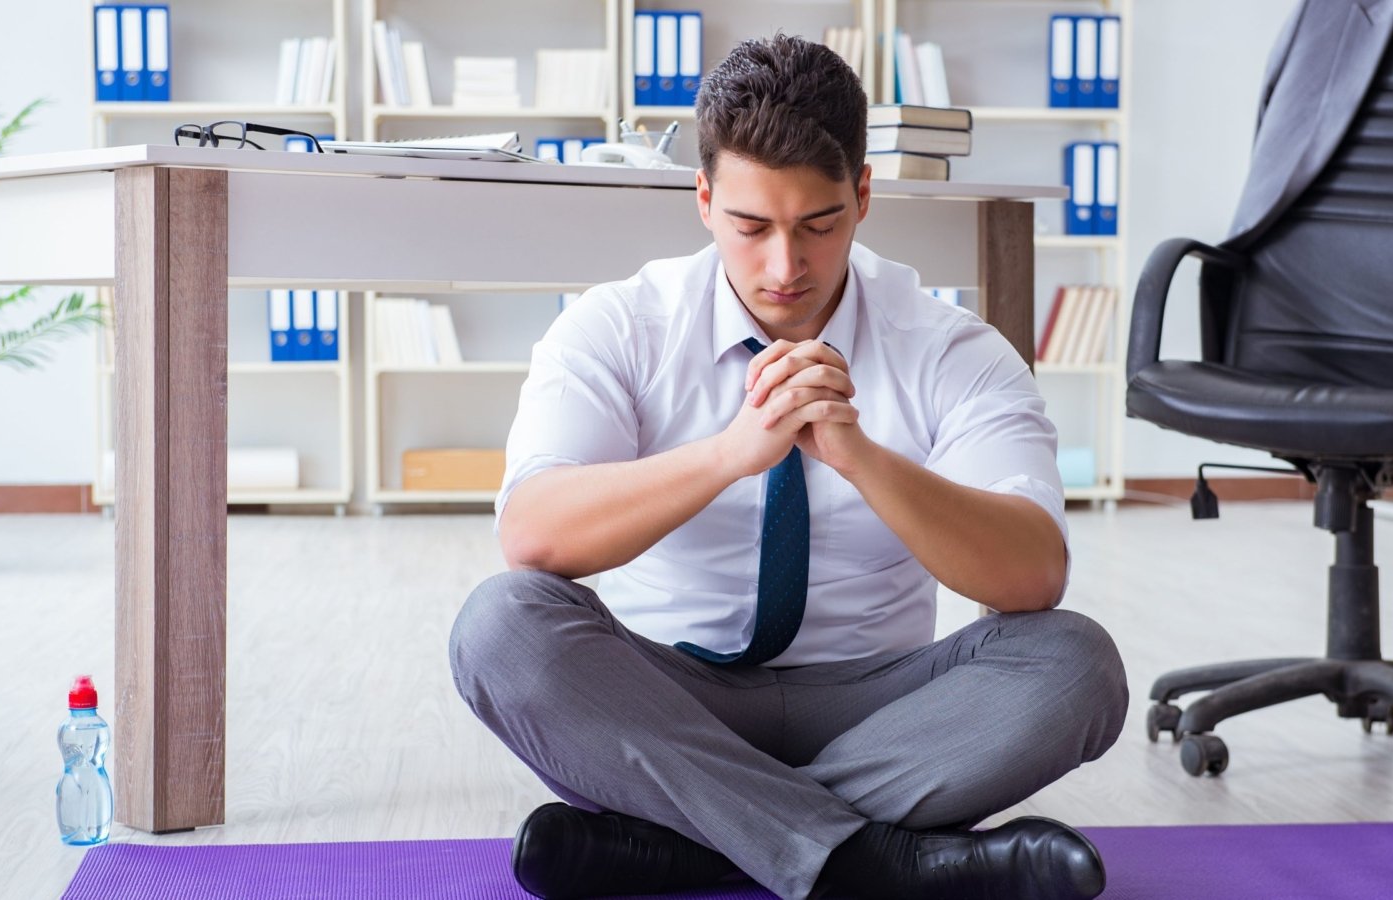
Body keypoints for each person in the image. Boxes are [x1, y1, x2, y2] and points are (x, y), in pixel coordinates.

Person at [448, 33, 1128, 900]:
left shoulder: (951, 348)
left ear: (865, 196)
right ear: (702, 198)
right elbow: (535, 535)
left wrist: (857, 453)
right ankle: (877, 861)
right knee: (500, 626)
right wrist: (733, 452)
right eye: (751, 226)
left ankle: (698, 842)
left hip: (885, 707)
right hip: (671, 699)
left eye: (819, 224)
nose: (785, 267)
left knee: (1077, 663)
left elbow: (1032, 576)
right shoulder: (618, 326)